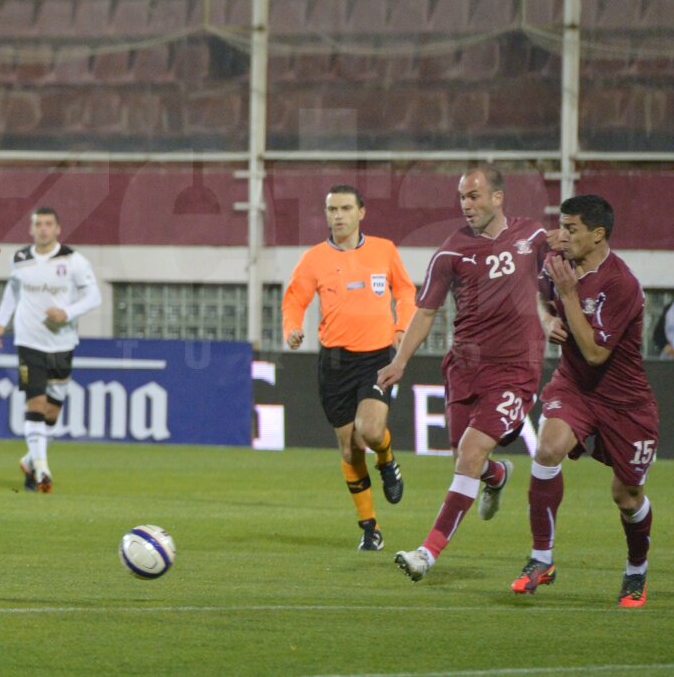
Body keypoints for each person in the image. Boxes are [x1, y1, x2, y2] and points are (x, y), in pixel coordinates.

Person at [379, 165, 551, 582]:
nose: (467, 205)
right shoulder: (451, 252)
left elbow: (560, 280)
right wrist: (400, 360)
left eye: (474, 196)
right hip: (465, 369)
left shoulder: (534, 238)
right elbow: (425, 312)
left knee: (471, 453)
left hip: (515, 369)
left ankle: (427, 552)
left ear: (498, 197)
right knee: (466, 458)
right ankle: (499, 475)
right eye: (462, 198)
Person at [511, 195, 658, 608]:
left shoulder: (621, 284)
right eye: (562, 225)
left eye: (571, 228)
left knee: (627, 496)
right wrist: (548, 317)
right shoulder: (557, 262)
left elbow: (596, 353)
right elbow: (537, 298)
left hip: (625, 402)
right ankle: (541, 558)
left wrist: (569, 297)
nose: (563, 235)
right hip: (574, 385)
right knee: (547, 448)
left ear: (597, 234)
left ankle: (636, 570)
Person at [282, 185, 416, 551]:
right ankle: (370, 527)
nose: (337, 216)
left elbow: (405, 291)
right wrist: (292, 329)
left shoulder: (384, 250)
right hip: (336, 362)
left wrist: (402, 326)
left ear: (361, 212)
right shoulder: (314, 259)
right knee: (349, 448)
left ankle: (387, 460)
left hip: (377, 358)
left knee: (370, 432)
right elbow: (294, 298)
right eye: (331, 209)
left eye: (344, 208)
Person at [0, 206, 101, 494]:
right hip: (29, 342)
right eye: (38, 224)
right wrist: (1, 323)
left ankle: (29, 462)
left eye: (48, 224)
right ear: (31, 229)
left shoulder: (73, 260)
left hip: (62, 343)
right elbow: (13, 291)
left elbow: (94, 296)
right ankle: (42, 467)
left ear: (58, 229)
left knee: (52, 411)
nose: (43, 229)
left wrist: (67, 311)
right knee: (35, 403)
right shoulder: (21, 259)